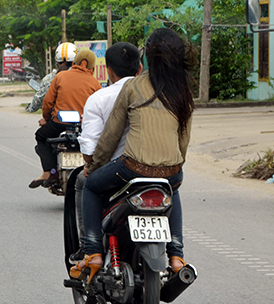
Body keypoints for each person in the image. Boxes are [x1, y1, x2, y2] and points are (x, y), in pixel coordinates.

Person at [71, 28, 195, 281]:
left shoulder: (134, 86)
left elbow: (110, 137)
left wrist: (94, 166)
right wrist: (175, 166)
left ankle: (93, 252)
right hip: (170, 170)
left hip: (131, 168)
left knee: (91, 187)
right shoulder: (183, 89)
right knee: (174, 189)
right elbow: (183, 138)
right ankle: (176, 255)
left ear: (147, 57)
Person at [70, 42, 142, 262]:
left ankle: (90, 248)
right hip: (158, 168)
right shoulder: (156, 94)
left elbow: (91, 150)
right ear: (139, 68)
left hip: (119, 170)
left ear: (109, 71)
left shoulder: (100, 98)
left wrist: (90, 166)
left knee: (85, 182)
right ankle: (176, 252)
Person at [29, 49, 102, 189]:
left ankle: (48, 172)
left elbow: (48, 103)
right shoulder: (95, 83)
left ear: (74, 62)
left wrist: (45, 118)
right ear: (92, 67)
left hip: (58, 123)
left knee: (41, 136)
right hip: (83, 126)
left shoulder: (61, 76)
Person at [25, 42, 75, 113]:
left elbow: (40, 98)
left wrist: (31, 107)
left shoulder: (50, 79)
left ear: (57, 62)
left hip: (56, 118)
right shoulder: (83, 77)